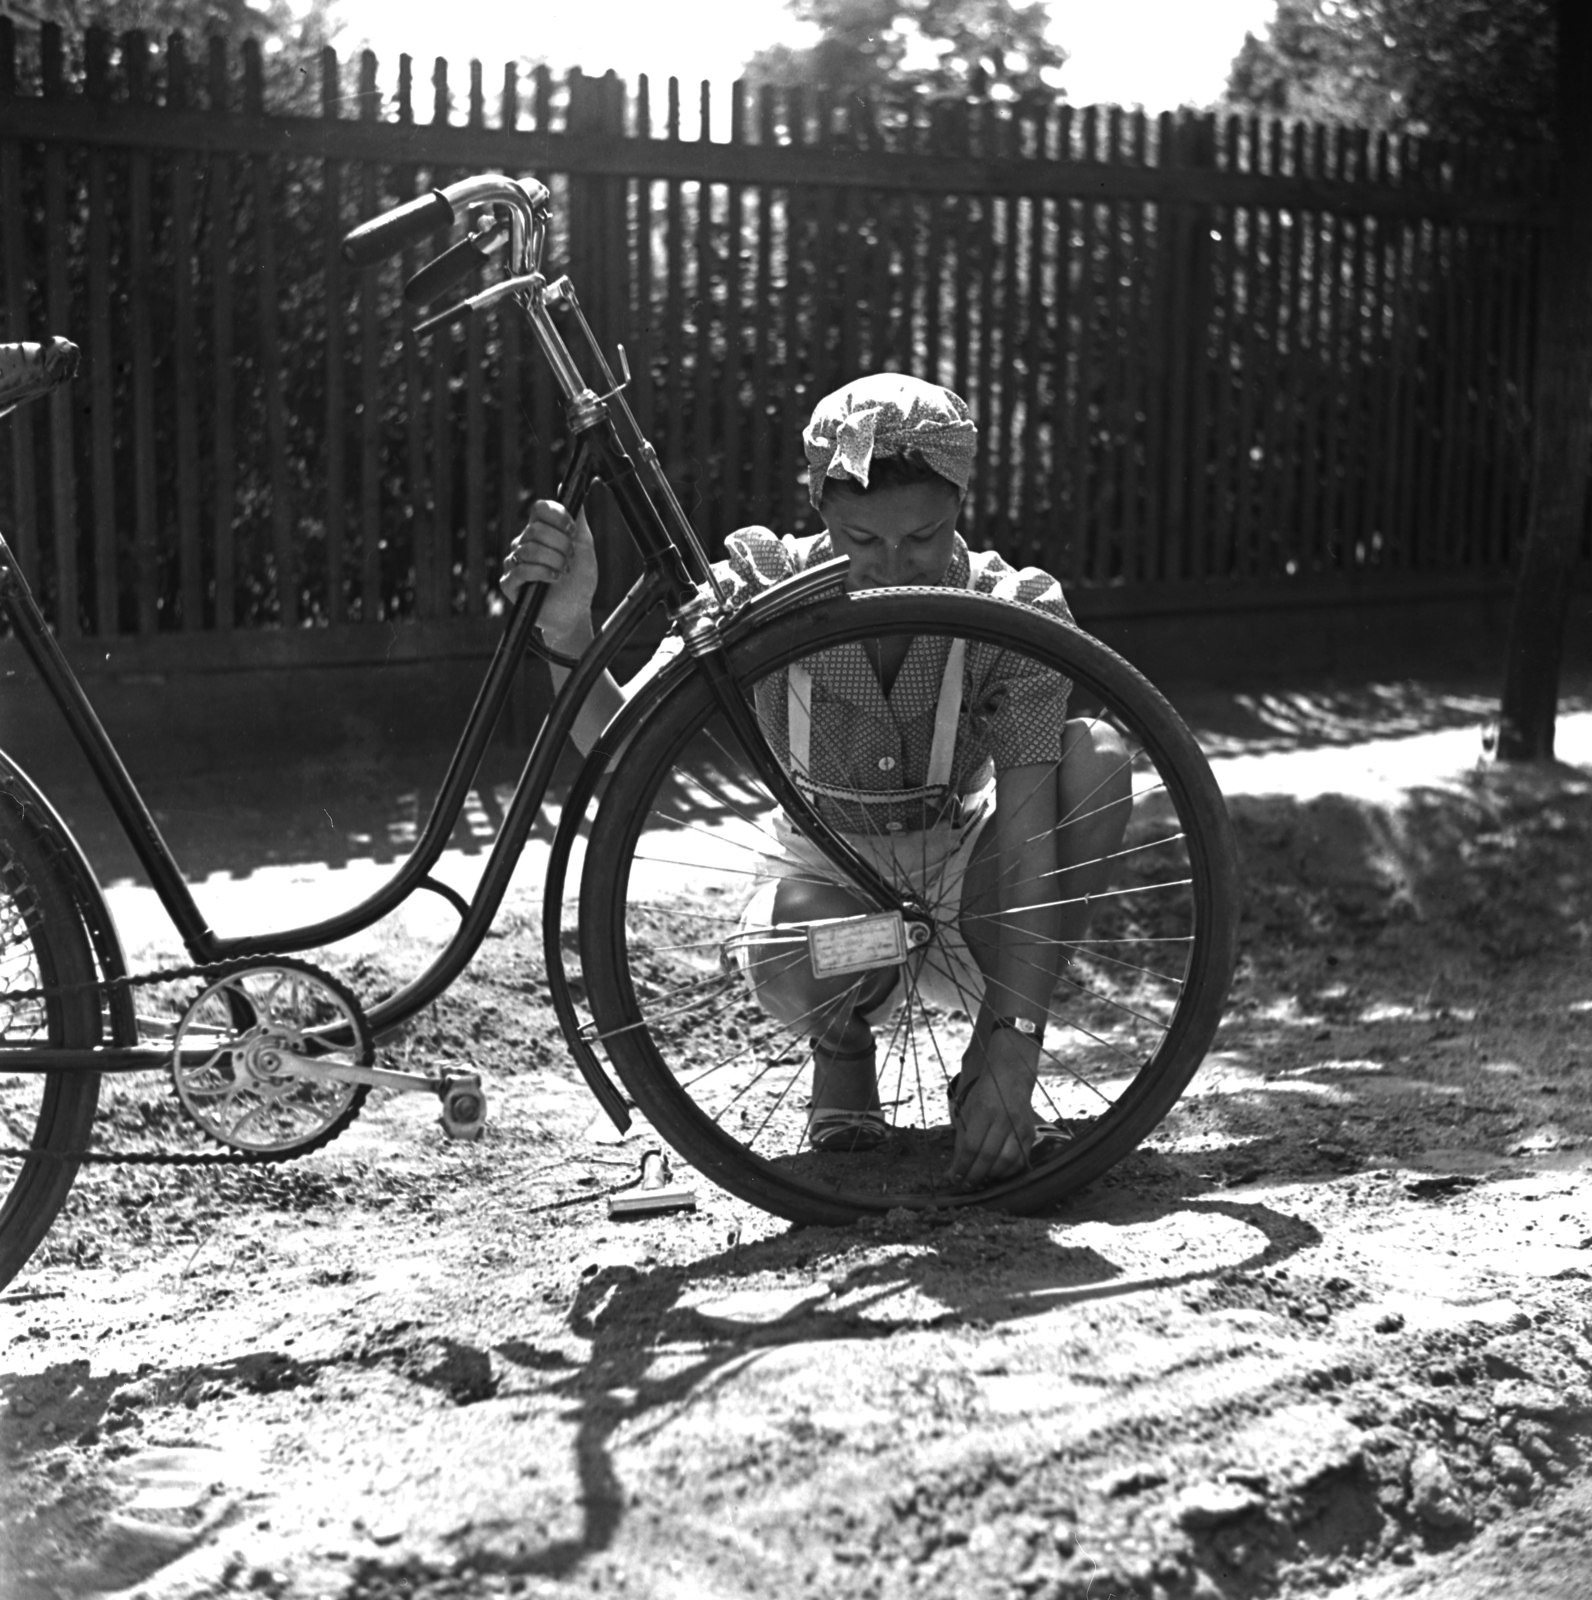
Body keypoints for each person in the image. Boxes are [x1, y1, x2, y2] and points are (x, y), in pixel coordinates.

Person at [501, 374, 1130, 1187]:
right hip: (836, 904)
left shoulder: (1012, 608)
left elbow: (1031, 821)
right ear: (821, 510)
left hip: (972, 882)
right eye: (861, 541)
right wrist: (568, 626)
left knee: (1100, 760)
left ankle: (983, 1068)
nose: (892, 569)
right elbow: (623, 747)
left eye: (925, 538)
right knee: (798, 947)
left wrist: (1014, 1043)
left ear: (962, 506)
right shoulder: (760, 588)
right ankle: (841, 1047)